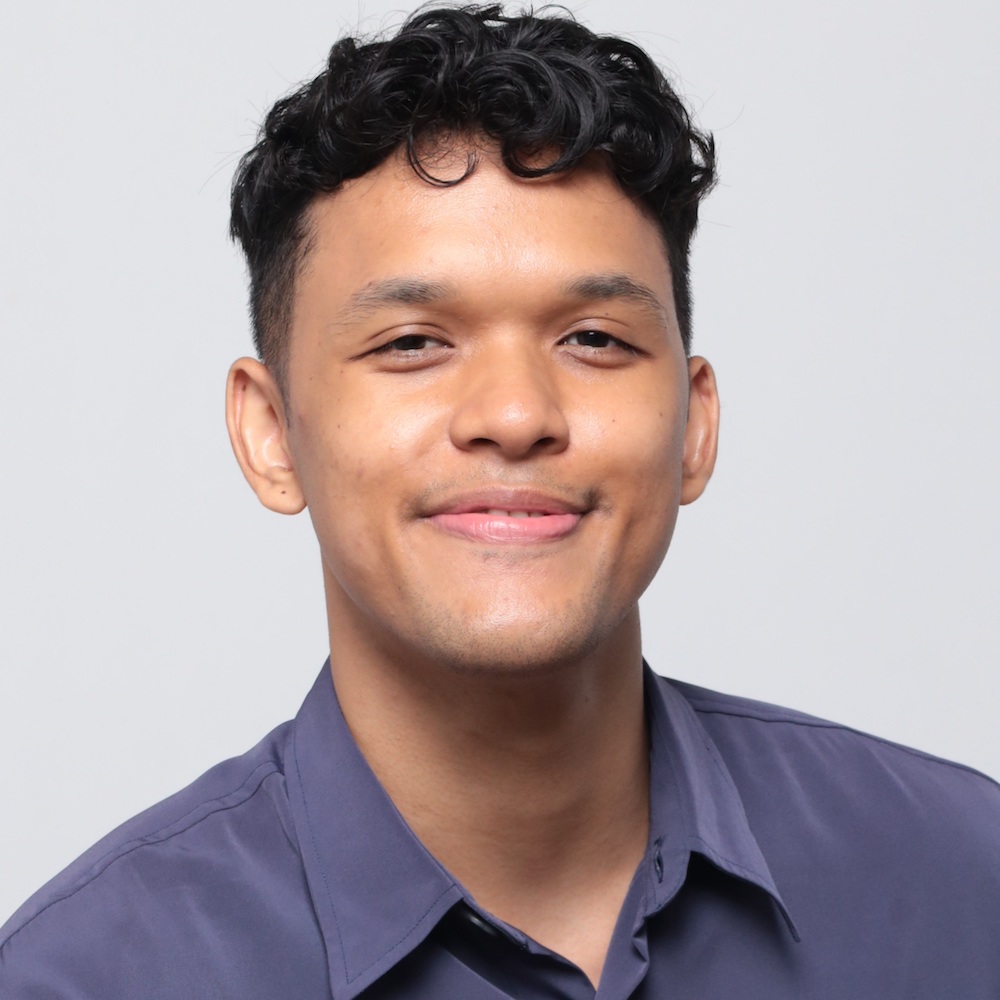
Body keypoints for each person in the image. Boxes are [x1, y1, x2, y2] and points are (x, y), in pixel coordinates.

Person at [2, 4, 998, 997]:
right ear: (271, 433)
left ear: (693, 425)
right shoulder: (87, 975)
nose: (516, 414)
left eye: (595, 339)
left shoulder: (962, 879)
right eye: (412, 344)